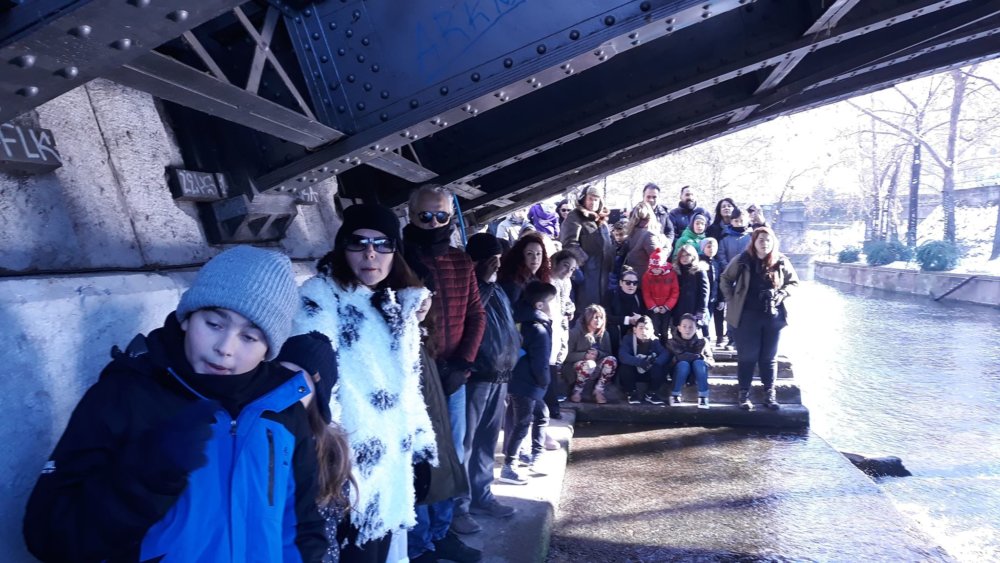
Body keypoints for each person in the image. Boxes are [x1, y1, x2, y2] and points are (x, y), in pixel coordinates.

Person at [24, 246, 328, 562]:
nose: (225, 347)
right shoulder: (125, 395)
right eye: (214, 324)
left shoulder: (283, 411)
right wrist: (145, 476)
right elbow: (48, 536)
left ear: (268, 349)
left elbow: (301, 527)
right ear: (187, 318)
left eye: (249, 337)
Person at [292, 203, 461, 563]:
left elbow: (409, 390)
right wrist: (333, 459)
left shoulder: (394, 305)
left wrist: (420, 446)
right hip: (348, 476)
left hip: (390, 474)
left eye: (383, 244)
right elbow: (313, 373)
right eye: (359, 242)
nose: (371, 253)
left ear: (395, 252)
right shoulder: (321, 297)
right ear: (343, 247)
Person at [402, 185, 485, 560]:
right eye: (425, 216)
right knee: (419, 458)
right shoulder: (399, 259)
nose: (434, 223)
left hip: (453, 376)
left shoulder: (461, 262)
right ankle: (419, 543)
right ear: (410, 215)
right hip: (415, 376)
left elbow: (476, 315)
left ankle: (442, 531)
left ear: (451, 217)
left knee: (451, 456)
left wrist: (464, 363)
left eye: (441, 216)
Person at [451, 234, 521, 528]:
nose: (498, 266)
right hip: (476, 376)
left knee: (487, 442)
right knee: (465, 443)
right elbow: (468, 315)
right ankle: (459, 507)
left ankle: (482, 494)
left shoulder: (497, 288)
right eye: (493, 260)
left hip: (499, 377)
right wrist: (480, 279)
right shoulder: (471, 286)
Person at [411, 295, 470, 562]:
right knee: (422, 482)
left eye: (427, 295)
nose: (422, 301)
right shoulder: (398, 337)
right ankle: (420, 547)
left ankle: (440, 535)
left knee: (441, 475)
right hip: (416, 426)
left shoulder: (422, 335)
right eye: (414, 293)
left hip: (436, 419)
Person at [720, 227, 799, 411]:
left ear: (773, 242)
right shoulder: (742, 260)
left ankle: (769, 394)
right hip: (746, 315)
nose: (765, 243)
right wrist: (731, 299)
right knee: (747, 356)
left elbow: (794, 282)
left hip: (773, 316)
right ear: (754, 242)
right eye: (761, 239)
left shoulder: (781, 261)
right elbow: (725, 278)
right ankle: (743, 394)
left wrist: (782, 293)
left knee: (769, 357)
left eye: (768, 240)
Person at [500, 281, 557, 485]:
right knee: (522, 423)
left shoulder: (519, 319)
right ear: (540, 305)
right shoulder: (538, 328)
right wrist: (545, 382)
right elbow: (540, 362)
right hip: (529, 383)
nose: (554, 306)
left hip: (516, 378)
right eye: (552, 302)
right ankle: (509, 466)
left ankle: (536, 457)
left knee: (541, 414)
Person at [559, 184, 614, 313]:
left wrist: (611, 265)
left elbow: (608, 245)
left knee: (600, 311)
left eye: (596, 199)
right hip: (585, 273)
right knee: (586, 310)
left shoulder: (602, 220)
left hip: (604, 274)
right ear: (583, 198)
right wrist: (584, 261)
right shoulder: (575, 216)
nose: (593, 202)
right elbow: (568, 243)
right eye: (590, 198)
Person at [564, 304, 618, 404]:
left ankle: (599, 390)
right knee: (589, 364)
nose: (598, 320)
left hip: (597, 366)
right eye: (595, 317)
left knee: (612, 360)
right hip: (577, 367)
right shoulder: (575, 332)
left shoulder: (605, 334)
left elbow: (608, 353)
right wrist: (585, 355)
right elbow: (566, 356)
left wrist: (598, 353)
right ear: (588, 318)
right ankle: (577, 391)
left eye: (601, 318)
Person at [548, 249, 578, 410]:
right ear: (555, 263)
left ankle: (552, 399)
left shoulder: (567, 282)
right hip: (547, 326)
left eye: (572, 269)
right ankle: (551, 403)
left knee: (557, 358)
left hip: (561, 324)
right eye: (565, 265)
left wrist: (570, 308)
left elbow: (566, 301)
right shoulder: (546, 280)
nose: (568, 271)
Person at [618, 315, 670, 405]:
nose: (643, 331)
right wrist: (639, 362)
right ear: (635, 329)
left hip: (648, 372)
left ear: (652, 331)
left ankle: (651, 393)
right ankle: (632, 393)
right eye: (641, 328)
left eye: (647, 328)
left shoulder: (654, 341)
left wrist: (655, 362)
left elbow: (665, 353)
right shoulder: (628, 339)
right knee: (625, 367)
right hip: (634, 372)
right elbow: (623, 355)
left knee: (662, 367)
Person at [667, 314, 714, 409]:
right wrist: (678, 359)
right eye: (684, 326)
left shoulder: (703, 341)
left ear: (696, 328)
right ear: (679, 328)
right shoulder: (672, 342)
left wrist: (702, 359)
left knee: (699, 363)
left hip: (697, 373)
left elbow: (711, 360)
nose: (687, 329)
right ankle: (675, 394)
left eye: (691, 327)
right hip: (679, 373)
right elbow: (668, 363)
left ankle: (703, 397)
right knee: (683, 364)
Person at [497, 231, 552, 305]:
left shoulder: (540, 277)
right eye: (529, 253)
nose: (535, 258)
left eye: (538, 254)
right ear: (521, 256)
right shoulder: (513, 283)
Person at [641, 247, 679, 345]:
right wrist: (653, 307)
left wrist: (667, 306)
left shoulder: (671, 274)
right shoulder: (647, 276)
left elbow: (675, 292)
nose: (655, 271)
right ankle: (656, 347)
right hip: (654, 308)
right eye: (653, 268)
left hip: (666, 307)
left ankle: (665, 346)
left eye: (657, 268)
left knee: (665, 330)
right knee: (655, 329)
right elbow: (646, 293)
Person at [672, 243, 711, 338]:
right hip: (678, 309)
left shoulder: (699, 271)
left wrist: (701, 310)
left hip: (694, 308)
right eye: (682, 256)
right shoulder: (676, 271)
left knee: (696, 335)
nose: (684, 258)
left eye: (687, 255)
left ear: (693, 256)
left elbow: (704, 292)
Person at [606, 266, 644, 358]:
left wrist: (640, 318)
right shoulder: (611, 294)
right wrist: (627, 320)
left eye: (635, 283)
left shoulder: (639, 295)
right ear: (620, 283)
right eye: (628, 282)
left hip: (634, 331)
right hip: (616, 332)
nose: (631, 285)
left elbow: (646, 313)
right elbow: (606, 316)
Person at [623, 201, 665, 278]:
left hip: (631, 277)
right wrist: (667, 245)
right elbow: (658, 258)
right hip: (646, 278)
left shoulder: (630, 232)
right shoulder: (649, 234)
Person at [700, 237, 723, 342]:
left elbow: (720, 281)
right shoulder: (700, 262)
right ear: (703, 248)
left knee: (718, 316)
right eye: (708, 247)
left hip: (715, 295)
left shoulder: (717, 263)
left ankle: (720, 337)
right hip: (704, 297)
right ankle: (706, 338)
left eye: (713, 247)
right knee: (705, 319)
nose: (711, 249)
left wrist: (722, 299)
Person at [641, 182, 676, 247]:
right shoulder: (636, 213)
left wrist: (666, 246)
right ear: (643, 197)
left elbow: (670, 232)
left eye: (654, 197)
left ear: (659, 197)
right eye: (648, 197)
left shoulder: (663, 213)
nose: (651, 200)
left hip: (659, 249)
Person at [608, 219, 629, 292]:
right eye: (616, 235)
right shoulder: (612, 245)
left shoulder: (628, 246)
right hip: (614, 276)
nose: (618, 237)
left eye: (621, 235)